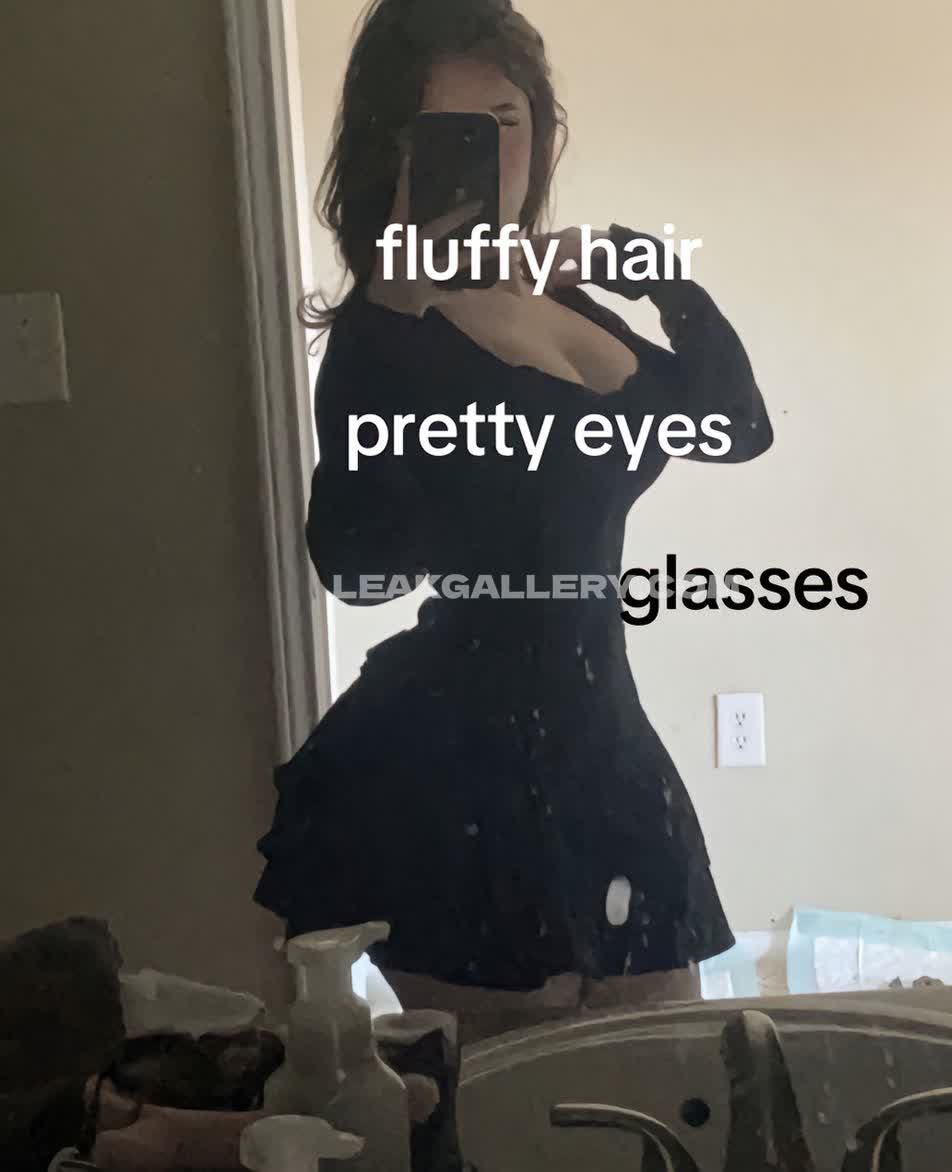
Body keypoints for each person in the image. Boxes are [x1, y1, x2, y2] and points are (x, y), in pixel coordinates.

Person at [254, 0, 773, 1043]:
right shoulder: (382, 333)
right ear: (395, 151)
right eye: (448, 130)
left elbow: (734, 426)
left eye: (506, 120)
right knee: (513, 1098)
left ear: (541, 130)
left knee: (665, 1080)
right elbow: (358, 563)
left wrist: (644, 270)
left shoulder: (570, 307)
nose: (487, 154)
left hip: (606, 752)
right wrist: (397, 323)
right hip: (451, 777)